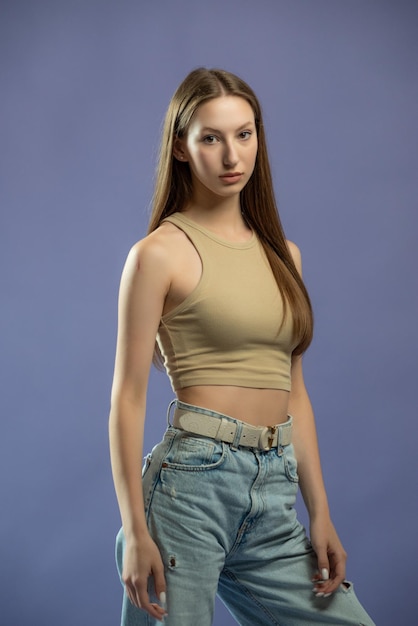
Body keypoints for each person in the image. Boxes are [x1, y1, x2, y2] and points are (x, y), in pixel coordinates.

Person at [109, 68, 375, 626]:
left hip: (274, 488)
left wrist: (320, 512)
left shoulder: (286, 256)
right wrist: (135, 529)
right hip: (191, 487)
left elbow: (295, 394)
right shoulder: (159, 253)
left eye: (245, 134)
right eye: (211, 137)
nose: (233, 155)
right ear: (181, 148)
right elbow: (127, 398)